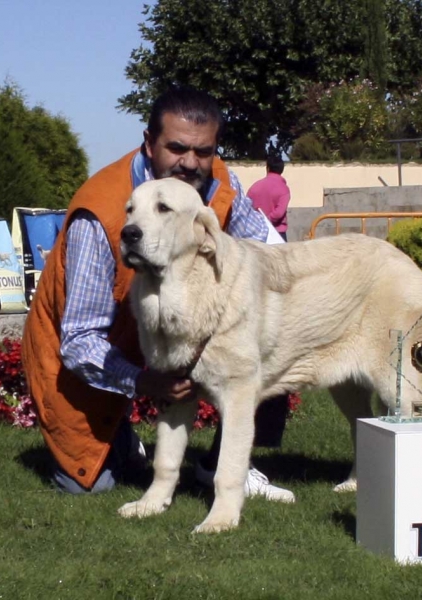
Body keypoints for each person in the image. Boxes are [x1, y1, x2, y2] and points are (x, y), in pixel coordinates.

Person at [21, 86, 294, 502]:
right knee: (90, 482)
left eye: (203, 150)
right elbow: (78, 341)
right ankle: (124, 442)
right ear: (149, 143)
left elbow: (271, 252)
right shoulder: (102, 215)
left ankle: (220, 463)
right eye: (177, 147)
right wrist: (146, 381)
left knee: (277, 330)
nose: (189, 163)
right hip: (92, 351)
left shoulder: (220, 181)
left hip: (173, 332)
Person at [247, 154, 290, 241]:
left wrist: (260, 222)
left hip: (257, 233)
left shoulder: (255, 186)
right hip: (277, 233)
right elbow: (279, 213)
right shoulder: (284, 189)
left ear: (268, 168)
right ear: (282, 170)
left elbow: (247, 207)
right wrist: (267, 220)